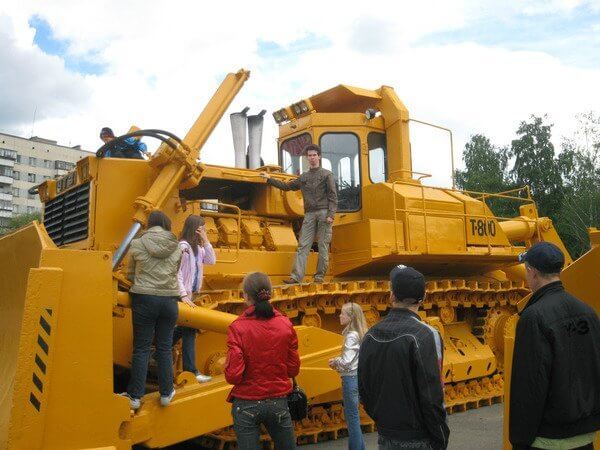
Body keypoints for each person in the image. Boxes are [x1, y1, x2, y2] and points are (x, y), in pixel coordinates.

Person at [509, 242, 600, 450]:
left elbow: (530, 385)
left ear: (531, 272)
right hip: (585, 435)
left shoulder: (534, 317)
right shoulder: (588, 312)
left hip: (548, 438)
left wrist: (520, 441)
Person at [358, 265, 449, 450]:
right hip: (419, 437)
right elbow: (432, 394)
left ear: (392, 296)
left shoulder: (371, 334)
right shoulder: (426, 335)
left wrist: (382, 421)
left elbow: (364, 388)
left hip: (386, 434)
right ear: (423, 298)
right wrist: (441, 437)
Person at [224, 272, 300, 450]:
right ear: (270, 293)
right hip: (278, 400)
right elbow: (293, 370)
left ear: (246, 296)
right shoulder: (285, 324)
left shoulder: (237, 327)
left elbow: (233, 376)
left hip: (247, 402)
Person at [122, 210, 182, 410]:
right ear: (166, 224)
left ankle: (135, 397)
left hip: (144, 300)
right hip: (169, 302)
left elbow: (130, 274)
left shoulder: (138, 243)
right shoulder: (176, 247)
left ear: (149, 224)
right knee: (165, 347)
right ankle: (166, 393)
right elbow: (174, 273)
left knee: (141, 348)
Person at [260, 144, 337, 284]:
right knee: (303, 245)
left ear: (319, 156)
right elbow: (287, 186)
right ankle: (296, 277)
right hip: (309, 214)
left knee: (322, 245)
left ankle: (319, 278)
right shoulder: (304, 177)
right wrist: (269, 179)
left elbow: (333, 196)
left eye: (314, 155)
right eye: (310, 155)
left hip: (324, 213)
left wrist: (331, 214)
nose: (312, 158)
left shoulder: (327, 174)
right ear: (307, 158)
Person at [174, 214, 216, 383]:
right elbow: (175, 272)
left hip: (191, 294)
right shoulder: (182, 247)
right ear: (195, 229)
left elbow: (211, 260)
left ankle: (158, 346)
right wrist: (183, 295)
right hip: (181, 294)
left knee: (186, 327)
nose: (204, 231)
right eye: (202, 228)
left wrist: (206, 240)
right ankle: (192, 371)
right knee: (190, 327)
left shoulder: (198, 249)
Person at [329, 303, 368, 450]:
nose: (340, 315)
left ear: (351, 317)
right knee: (353, 417)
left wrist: (335, 361)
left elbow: (346, 362)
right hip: (356, 377)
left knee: (352, 418)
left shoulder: (351, 336)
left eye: (342, 313)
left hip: (350, 379)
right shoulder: (360, 334)